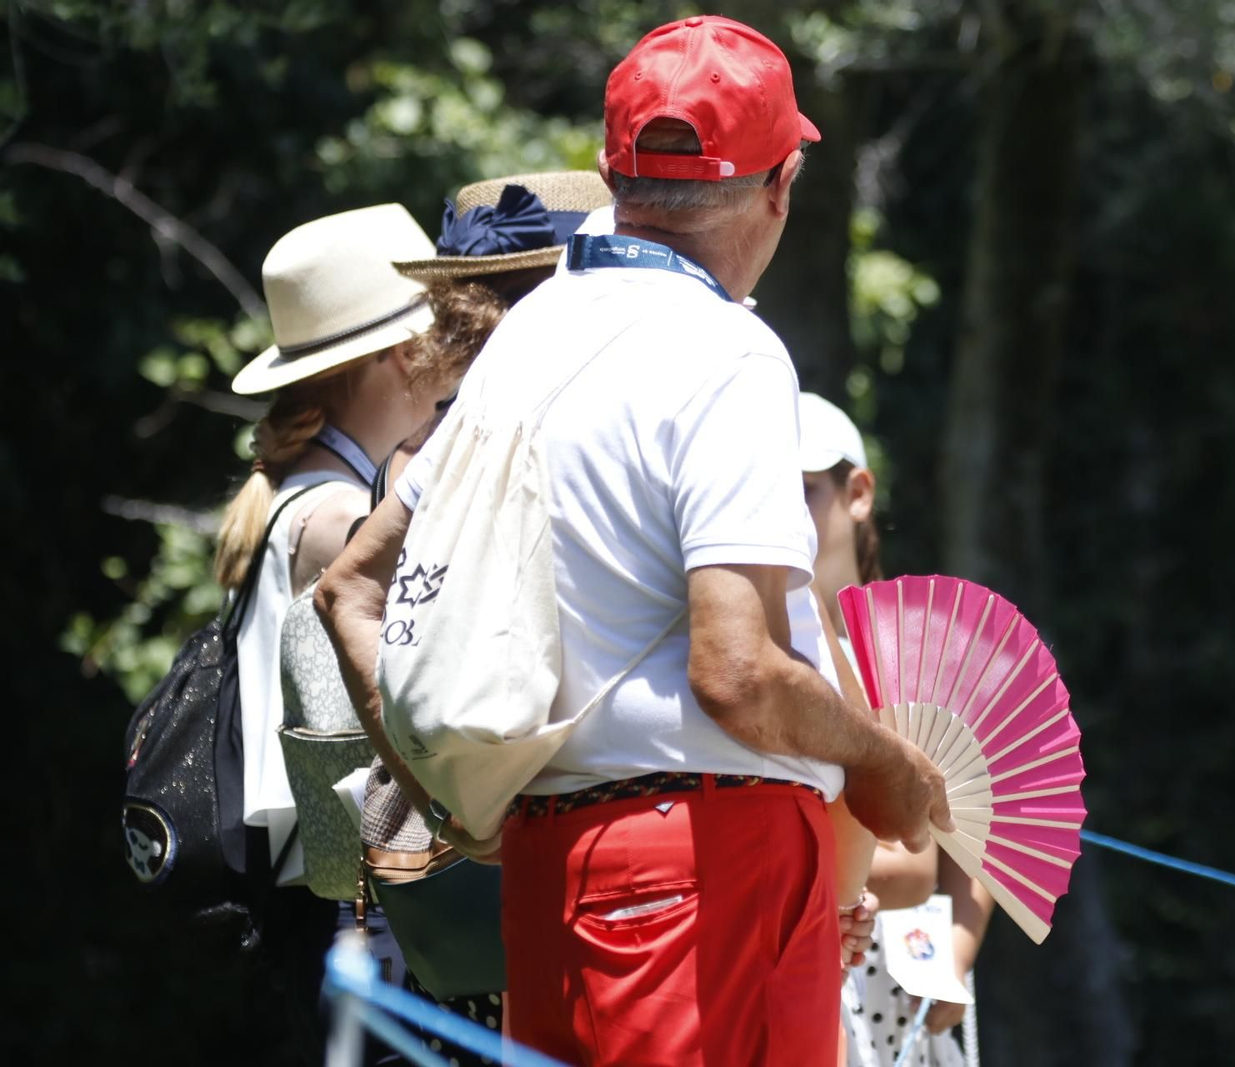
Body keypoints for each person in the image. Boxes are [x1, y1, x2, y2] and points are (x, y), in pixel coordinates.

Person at [318, 16, 950, 1066]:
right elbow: (736, 670)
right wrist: (880, 759)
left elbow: (349, 588)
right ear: (781, 184)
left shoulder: (523, 340)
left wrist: (449, 794)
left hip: (548, 871)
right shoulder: (730, 349)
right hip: (710, 876)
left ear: (614, 176)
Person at [279, 172, 615, 1063]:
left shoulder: (409, 461)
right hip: (578, 874)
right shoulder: (562, 443)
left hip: (438, 900)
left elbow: (351, 607)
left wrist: (438, 795)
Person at [221, 202, 449, 1062]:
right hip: (352, 908)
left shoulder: (294, 496)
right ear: (402, 353)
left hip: (312, 908)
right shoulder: (337, 518)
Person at [798, 393, 997, 1067]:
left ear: (858, 493)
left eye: (804, 490)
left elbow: (972, 833)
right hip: (797, 961)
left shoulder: (917, 652)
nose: (782, 511)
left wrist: (959, 952)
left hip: (901, 982)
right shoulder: (766, 650)